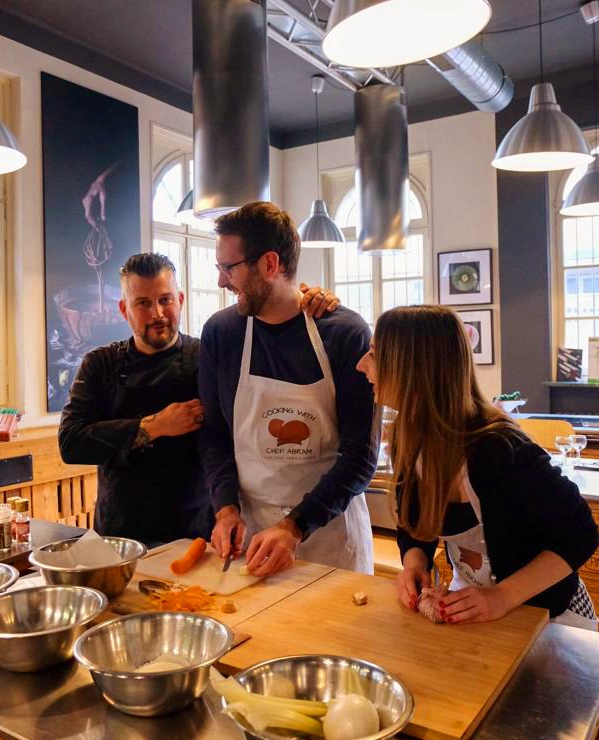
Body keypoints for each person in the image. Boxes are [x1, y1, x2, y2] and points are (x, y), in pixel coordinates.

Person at [58, 251, 339, 546]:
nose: (157, 313)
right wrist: (155, 426)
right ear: (123, 309)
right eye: (143, 303)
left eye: (165, 300)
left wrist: (304, 299)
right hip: (121, 533)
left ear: (180, 300)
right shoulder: (99, 364)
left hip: (198, 531)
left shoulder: (208, 355)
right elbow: (71, 444)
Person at [356, 304, 599, 629]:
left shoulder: (499, 448)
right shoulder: (408, 438)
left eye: (374, 354)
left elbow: (580, 533)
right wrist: (415, 563)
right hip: (477, 609)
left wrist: (502, 596)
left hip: (551, 615)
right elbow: (414, 525)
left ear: (414, 366)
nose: (361, 365)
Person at [199, 202, 377, 577]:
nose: (221, 282)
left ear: (269, 264)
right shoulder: (222, 333)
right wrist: (225, 507)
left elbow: (360, 457)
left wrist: (295, 526)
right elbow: (214, 435)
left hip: (330, 538)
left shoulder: (344, 334)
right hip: (252, 538)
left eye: (228, 268)